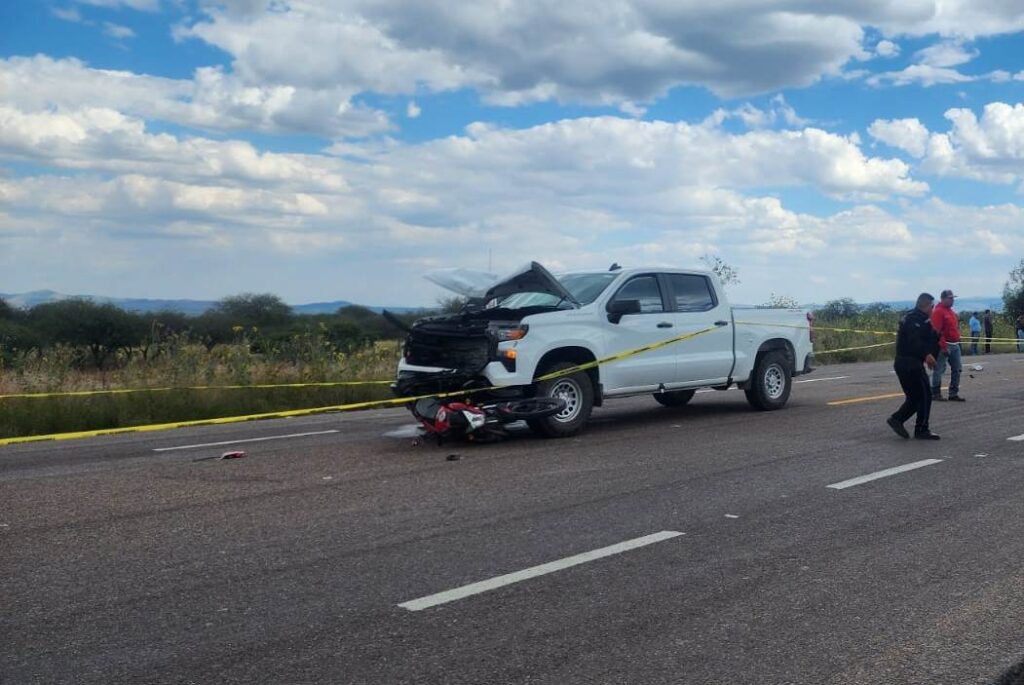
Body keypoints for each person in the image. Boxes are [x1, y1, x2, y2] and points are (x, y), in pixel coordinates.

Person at [888, 293, 941, 440]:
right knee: (925, 396)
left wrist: (935, 348)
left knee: (914, 398)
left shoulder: (923, 320)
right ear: (925, 305)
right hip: (908, 363)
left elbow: (930, 340)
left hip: (909, 363)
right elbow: (914, 340)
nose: (933, 309)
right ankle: (922, 429)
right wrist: (926, 354)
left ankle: (897, 419)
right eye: (932, 306)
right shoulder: (913, 319)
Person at [930, 289, 964, 402]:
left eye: (953, 298)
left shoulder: (951, 311)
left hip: (955, 344)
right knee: (939, 369)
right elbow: (936, 331)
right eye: (950, 298)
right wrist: (943, 346)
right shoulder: (938, 312)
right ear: (943, 299)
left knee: (957, 369)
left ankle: (953, 393)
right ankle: (935, 393)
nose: (952, 300)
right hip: (944, 345)